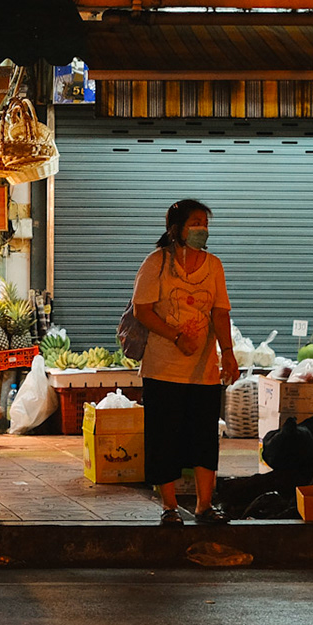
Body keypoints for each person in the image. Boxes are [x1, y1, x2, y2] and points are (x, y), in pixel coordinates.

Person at [132, 199, 237, 527]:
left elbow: (220, 313)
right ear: (176, 228)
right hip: (163, 368)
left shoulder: (214, 265)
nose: (201, 229)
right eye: (195, 222)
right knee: (164, 437)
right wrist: (176, 336)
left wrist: (228, 353)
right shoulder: (156, 264)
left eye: (205, 222)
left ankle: (205, 505)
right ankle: (170, 507)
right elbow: (142, 310)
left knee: (203, 437)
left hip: (203, 370)